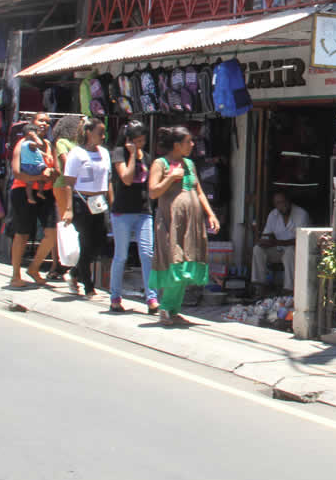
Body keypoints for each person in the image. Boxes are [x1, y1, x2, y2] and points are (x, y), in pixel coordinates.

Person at [149, 126, 219, 325]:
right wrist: (171, 177)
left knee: (186, 265)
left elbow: (198, 191)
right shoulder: (160, 163)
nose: (193, 144)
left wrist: (210, 214)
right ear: (177, 145)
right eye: (189, 141)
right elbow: (153, 192)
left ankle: (173, 309)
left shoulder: (189, 164)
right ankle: (165, 308)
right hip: (171, 223)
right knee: (176, 264)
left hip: (191, 224)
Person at [58, 117, 112, 298]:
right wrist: (68, 208)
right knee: (86, 243)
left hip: (99, 203)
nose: (103, 136)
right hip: (82, 201)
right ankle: (88, 286)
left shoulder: (104, 153)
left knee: (99, 242)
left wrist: (112, 201)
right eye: (99, 133)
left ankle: (74, 272)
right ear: (89, 133)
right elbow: (68, 182)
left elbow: (108, 179)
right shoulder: (76, 153)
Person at [109, 120, 158, 315]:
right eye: (137, 140)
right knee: (121, 256)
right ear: (128, 140)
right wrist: (131, 155)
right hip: (122, 211)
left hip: (143, 211)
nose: (141, 144)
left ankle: (152, 297)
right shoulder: (119, 153)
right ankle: (115, 297)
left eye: (143, 140)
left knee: (147, 254)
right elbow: (127, 179)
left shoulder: (146, 157)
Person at [9, 113, 59, 288]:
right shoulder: (22, 144)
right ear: (32, 123)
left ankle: (34, 268)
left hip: (46, 193)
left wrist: (50, 174)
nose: (44, 124)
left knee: (52, 234)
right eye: (41, 121)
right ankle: (15, 275)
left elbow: (55, 171)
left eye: (47, 122)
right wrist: (39, 176)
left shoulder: (48, 145)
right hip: (23, 191)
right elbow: (16, 172)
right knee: (22, 233)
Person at [45, 115, 84, 281]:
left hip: (79, 186)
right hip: (63, 186)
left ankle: (71, 265)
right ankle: (58, 265)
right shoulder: (61, 142)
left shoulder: (80, 143)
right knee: (64, 225)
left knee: (75, 226)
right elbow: (65, 163)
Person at [251, 191, 309, 294]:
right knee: (258, 249)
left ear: (289, 201)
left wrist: (277, 242)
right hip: (278, 250)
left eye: (283, 202)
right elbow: (267, 234)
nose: (282, 205)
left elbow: (300, 240)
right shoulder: (273, 214)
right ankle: (259, 285)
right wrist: (263, 241)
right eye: (278, 203)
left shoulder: (301, 214)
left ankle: (289, 289)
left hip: (297, 251)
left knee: (290, 252)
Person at [19, 124, 49, 205]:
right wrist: (35, 136)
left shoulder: (24, 144)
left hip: (27, 166)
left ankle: (30, 197)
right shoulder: (29, 143)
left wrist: (45, 155)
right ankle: (40, 192)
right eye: (37, 133)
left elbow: (37, 151)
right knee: (42, 179)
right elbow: (40, 145)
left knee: (29, 184)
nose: (38, 135)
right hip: (34, 166)